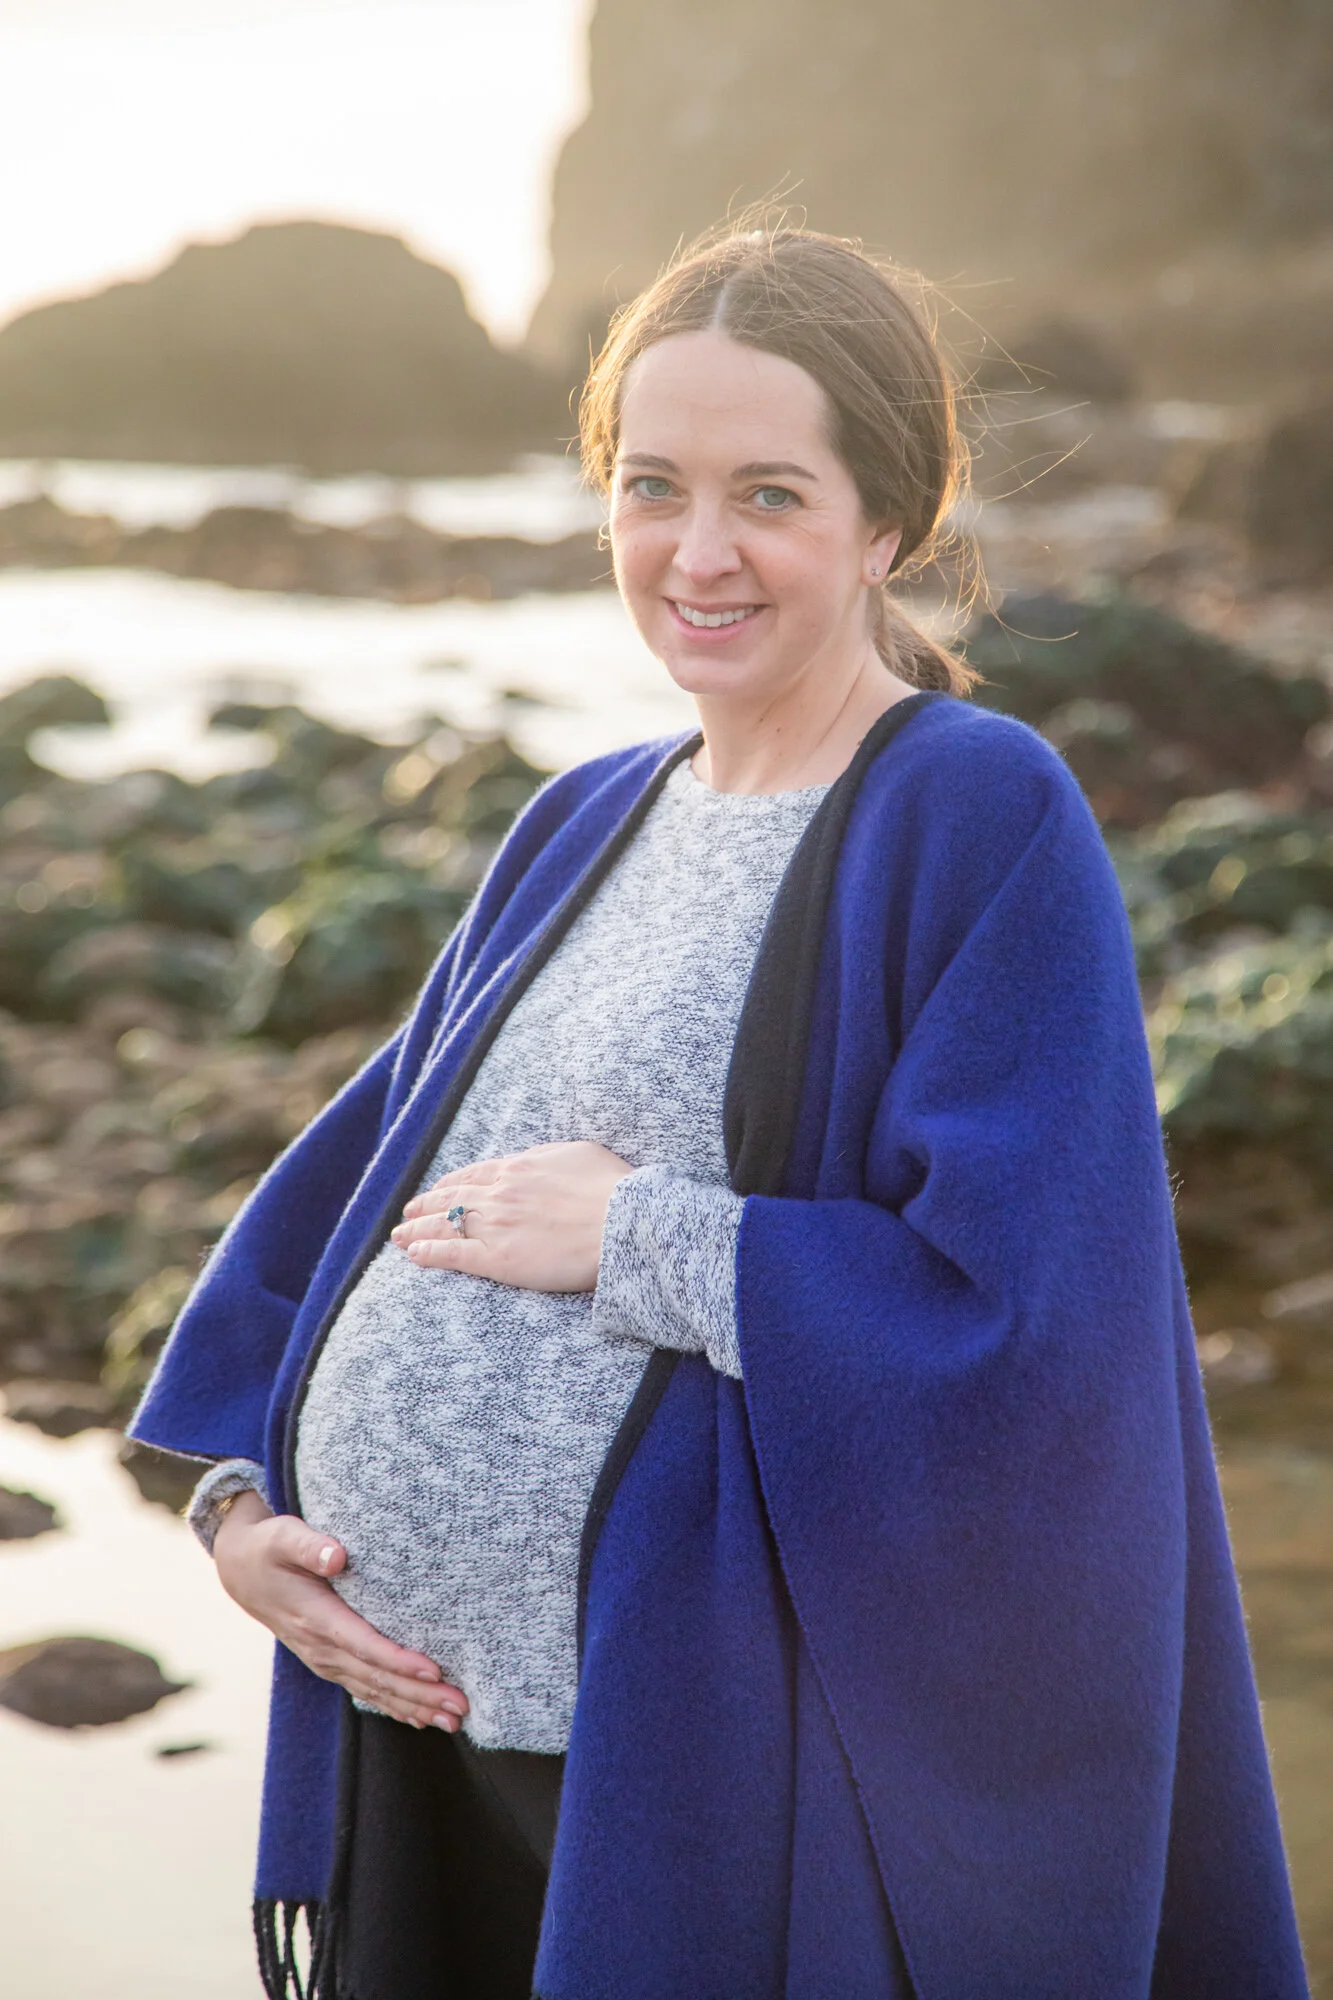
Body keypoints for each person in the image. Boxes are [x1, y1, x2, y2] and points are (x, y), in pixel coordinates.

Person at [129, 224, 1309, 2000]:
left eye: (769, 492)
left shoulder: (975, 811)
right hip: (413, 1736)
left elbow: (1035, 1332)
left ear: (885, 520)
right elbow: (348, 1199)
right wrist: (234, 1513)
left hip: (700, 1787)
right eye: (652, 488)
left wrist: (640, 1236)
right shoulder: (583, 815)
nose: (699, 553)